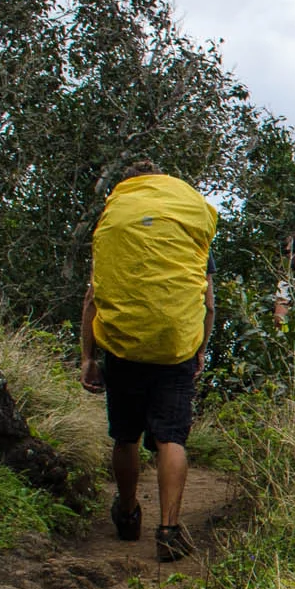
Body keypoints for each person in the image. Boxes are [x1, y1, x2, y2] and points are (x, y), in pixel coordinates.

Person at [79, 158, 216, 562]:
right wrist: (200, 348)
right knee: (170, 438)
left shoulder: (116, 221)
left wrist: (88, 357)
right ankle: (169, 530)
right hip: (175, 345)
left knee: (126, 436)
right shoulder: (184, 223)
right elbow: (207, 300)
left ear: (130, 186)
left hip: (123, 346)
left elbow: (92, 298)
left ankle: (127, 514)